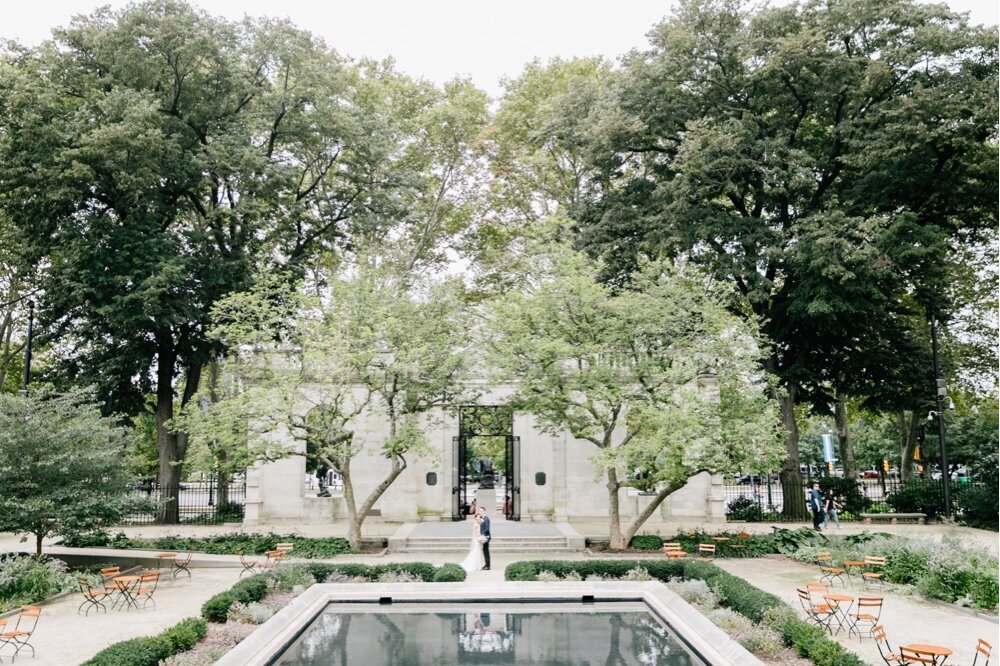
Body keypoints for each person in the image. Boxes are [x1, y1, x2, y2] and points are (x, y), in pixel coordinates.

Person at [477, 506, 491, 570]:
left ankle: (487, 566)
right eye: (480, 511)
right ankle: (486, 564)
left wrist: (481, 533)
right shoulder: (482, 518)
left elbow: (487, 529)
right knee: (484, 550)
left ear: (484, 511)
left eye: (482, 511)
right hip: (483, 536)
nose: (480, 512)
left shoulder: (486, 519)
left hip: (486, 536)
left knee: (486, 551)